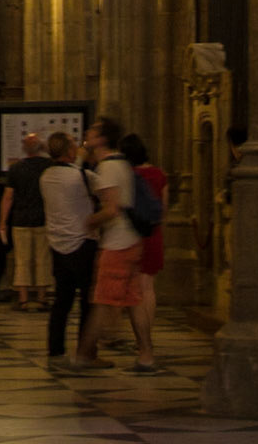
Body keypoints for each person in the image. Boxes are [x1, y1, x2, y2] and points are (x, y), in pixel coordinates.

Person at [70, 117, 156, 374]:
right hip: (131, 240)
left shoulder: (108, 167)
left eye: (93, 131)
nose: (87, 133)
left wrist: (89, 222)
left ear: (102, 138)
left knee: (101, 300)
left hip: (117, 244)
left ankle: (85, 354)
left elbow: (111, 209)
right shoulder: (121, 163)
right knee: (134, 300)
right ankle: (146, 355)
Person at [40, 129, 100, 371]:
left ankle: (55, 350)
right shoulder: (81, 177)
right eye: (74, 145)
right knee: (88, 301)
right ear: (69, 151)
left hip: (57, 243)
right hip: (83, 241)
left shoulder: (45, 176)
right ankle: (86, 352)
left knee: (62, 301)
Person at [0, 130, 52, 308]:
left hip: (20, 219)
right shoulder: (48, 166)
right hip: (43, 218)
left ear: (24, 149)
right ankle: (42, 298)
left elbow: (8, 197)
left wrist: (2, 222)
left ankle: (23, 299)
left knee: (22, 259)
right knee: (42, 259)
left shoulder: (16, 168)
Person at [122, 132, 168, 331]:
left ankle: (139, 333)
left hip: (132, 233)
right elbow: (163, 208)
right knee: (148, 287)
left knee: (133, 287)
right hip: (153, 232)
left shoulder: (129, 175)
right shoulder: (159, 174)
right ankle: (147, 331)